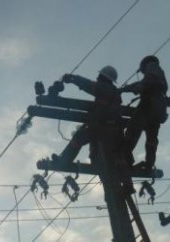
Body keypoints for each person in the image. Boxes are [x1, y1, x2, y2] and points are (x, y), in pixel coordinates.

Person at [46, 65, 135, 194]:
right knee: (117, 159)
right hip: (114, 133)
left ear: (104, 78)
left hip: (103, 129)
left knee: (79, 138)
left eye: (99, 77)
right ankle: (127, 185)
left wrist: (72, 78)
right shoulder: (112, 93)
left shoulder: (105, 89)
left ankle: (63, 161)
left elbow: (88, 85)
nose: (97, 78)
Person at [120, 55, 170, 171]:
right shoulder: (160, 74)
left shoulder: (152, 68)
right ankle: (149, 163)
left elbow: (145, 83)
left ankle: (123, 156)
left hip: (148, 105)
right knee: (152, 138)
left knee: (133, 130)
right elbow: (143, 83)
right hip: (159, 109)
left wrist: (135, 89)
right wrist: (126, 89)